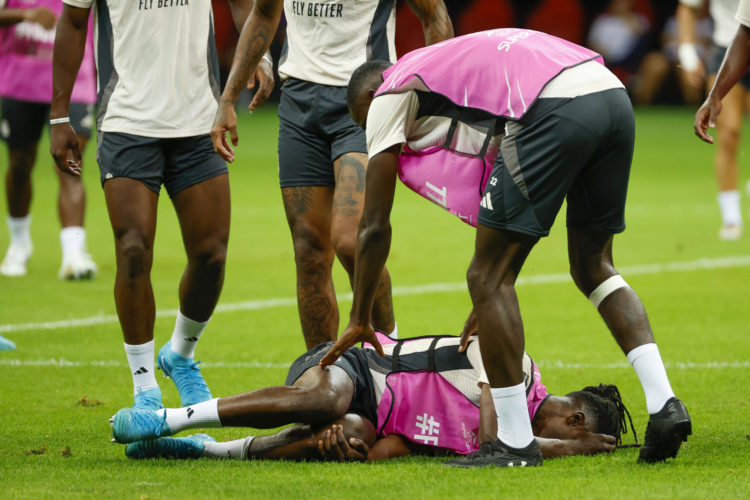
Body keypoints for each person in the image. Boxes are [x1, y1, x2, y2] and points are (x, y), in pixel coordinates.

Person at [318, 28, 691, 468]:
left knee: (484, 276)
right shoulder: (444, 76)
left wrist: (361, 316)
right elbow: (505, 195)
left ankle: (513, 442)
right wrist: (494, 289)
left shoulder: (388, 91)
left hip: (553, 105)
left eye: (369, 130)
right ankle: (663, 402)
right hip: (608, 93)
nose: (382, 143)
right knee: (593, 266)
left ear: (370, 98)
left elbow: (375, 225)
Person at [49, 0, 274, 410]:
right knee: (133, 249)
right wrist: (59, 116)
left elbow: (246, 4)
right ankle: (144, 390)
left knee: (211, 256)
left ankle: (181, 356)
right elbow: (72, 20)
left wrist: (260, 56)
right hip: (127, 121)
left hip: (199, 119)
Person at [210, 0, 454, 350]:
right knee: (309, 252)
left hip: (365, 98)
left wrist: (437, 100)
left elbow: (434, 14)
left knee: (352, 240)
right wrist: (228, 98)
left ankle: (391, 360)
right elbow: (264, 13)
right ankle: (321, 378)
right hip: (298, 102)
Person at [110, 332, 634, 462]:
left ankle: (204, 449)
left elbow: (394, 448)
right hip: (355, 367)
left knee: (350, 434)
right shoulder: (514, 364)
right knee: (327, 405)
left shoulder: (476, 442)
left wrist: (348, 450)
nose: (554, 435)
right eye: (567, 432)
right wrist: (562, 450)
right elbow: (503, 442)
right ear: (577, 418)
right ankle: (168, 419)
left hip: (370, 414)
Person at [0, 0, 97, 279]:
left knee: (70, 166)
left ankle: (73, 254)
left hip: (75, 83)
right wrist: (25, 14)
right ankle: (19, 244)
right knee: (19, 164)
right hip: (19, 82)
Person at [681, 0, 750, 240]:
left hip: (740, 44)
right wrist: (688, 55)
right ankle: (731, 218)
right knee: (729, 134)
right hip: (728, 51)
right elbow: (687, 7)